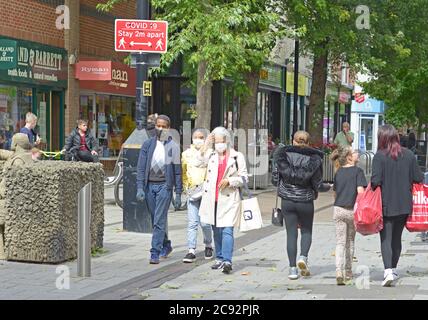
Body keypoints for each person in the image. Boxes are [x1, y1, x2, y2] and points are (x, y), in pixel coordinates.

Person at [272, 131, 331, 280]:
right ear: (308, 142)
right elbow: (317, 185)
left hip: (287, 200)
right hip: (305, 200)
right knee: (306, 231)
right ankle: (303, 257)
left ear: (293, 141)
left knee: (291, 234)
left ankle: (292, 269)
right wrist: (328, 187)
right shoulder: (314, 159)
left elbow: (274, 180)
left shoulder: (281, 156)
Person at [371, 124, 423, 287]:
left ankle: (387, 271)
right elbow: (418, 177)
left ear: (382, 138)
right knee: (397, 238)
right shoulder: (408, 155)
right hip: (404, 204)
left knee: (385, 238)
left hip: (386, 203)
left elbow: (375, 181)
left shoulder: (379, 156)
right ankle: (392, 269)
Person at [199, 127, 248, 274]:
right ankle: (219, 258)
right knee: (216, 230)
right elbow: (198, 161)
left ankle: (227, 260)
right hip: (212, 199)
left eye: (222, 141)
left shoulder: (237, 156)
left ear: (227, 141)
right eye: (217, 142)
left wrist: (230, 180)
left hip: (229, 199)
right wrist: (207, 144)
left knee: (227, 229)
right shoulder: (211, 154)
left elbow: (244, 178)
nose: (219, 144)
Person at [136, 115, 182, 264]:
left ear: (169, 128)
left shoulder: (173, 147)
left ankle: (154, 252)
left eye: (164, 126)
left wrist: (178, 193)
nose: (160, 128)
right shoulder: (147, 145)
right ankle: (166, 244)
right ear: (155, 126)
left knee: (159, 220)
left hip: (165, 187)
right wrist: (140, 187)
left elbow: (177, 171)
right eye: (158, 126)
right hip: (149, 186)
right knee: (155, 219)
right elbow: (141, 167)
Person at [330, 146, 367, 285]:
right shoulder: (358, 172)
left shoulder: (338, 172)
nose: (357, 153)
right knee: (350, 242)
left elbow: (335, 192)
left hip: (338, 209)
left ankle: (338, 270)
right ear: (349, 157)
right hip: (352, 211)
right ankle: (349, 271)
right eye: (355, 152)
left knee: (340, 242)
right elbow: (360, 192)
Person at [181, 128, 213, 263]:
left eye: (201, 137)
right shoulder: (186, 154)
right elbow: (184, 171)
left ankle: (208, 245)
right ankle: (191, 250)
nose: (198, 139)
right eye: (196, 137)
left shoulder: (210, 153)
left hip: (206, 192)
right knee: (192, 223)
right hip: (192, 192)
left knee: (205, 223)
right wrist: (185, 188)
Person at [0, 133, 33, 259]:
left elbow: (9, 183)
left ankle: (2, 253)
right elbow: (5, 154)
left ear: (15, 144)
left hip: (11, 200)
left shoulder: (18, 161)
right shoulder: (24, 155)